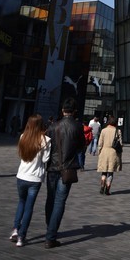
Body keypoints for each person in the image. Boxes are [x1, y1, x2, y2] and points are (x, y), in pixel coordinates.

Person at [45, 98, 86, 248]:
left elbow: (47, 147)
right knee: (60, 201)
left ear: (62, 110)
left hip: (52, 168)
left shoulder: (53, 126)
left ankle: (50, 228)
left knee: (50, 199)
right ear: (74, 111)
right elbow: (81, 146)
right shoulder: (77, 127)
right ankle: (51, 236)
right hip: (67, 169)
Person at [10, 114, 51, 247]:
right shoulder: (45, 140)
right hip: (35, 178)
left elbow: (21, 155)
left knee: (21, 202)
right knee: (29, 207)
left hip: (21, 175)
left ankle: (15, 230)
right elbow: (45, 159)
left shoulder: (23, 136)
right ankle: (21, 237)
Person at [97, 115, 122, 195]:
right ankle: (107, 189)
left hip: (104, 152)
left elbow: (100, 143)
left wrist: (99, 152)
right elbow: (120, 144)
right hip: (113, 153)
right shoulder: (118, 131)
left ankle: (102, 186)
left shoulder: (103, 130)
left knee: (104, 171)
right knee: (110, 172)